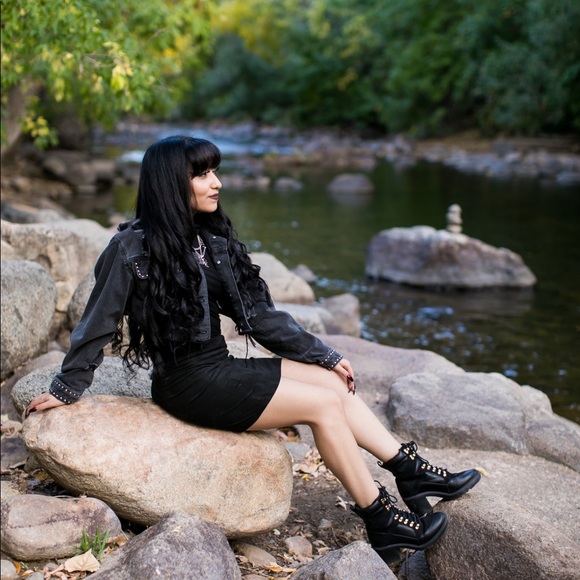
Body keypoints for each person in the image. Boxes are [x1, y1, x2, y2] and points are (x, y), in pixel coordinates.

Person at [26, 135, 480, 564]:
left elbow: (259, 316)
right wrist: (67, 387)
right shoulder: (130, 247)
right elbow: (97, 322)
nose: (217, 183)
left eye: (215, 172)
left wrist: (323, 354)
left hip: (218, 366)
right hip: (187, 384)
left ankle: (408, 471)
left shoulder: (209, 240)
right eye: (203, 174)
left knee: (332, 382)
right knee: (323, 405)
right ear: (171, 184)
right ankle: (382, 520)